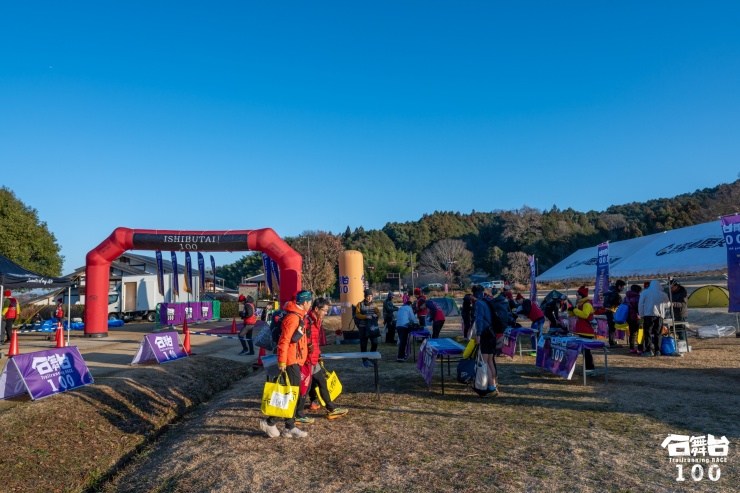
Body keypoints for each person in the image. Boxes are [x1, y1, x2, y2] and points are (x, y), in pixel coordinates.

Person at [259, 290, 313, 439]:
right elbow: (284, 340)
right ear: (304, 302)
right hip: (290, 360)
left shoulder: (298, 315)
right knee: (291, 394)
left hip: (295, 359)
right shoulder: (293, 318)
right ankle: (270, 422)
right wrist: (282, 361)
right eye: (309, 302)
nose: (310, 304)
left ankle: (289, 426)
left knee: (293, 394)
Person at [303, 298, 349, 420]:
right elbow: (305, 341)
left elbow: (315, 342)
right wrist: (310, 356)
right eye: (324, 310)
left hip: (313, 358)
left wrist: (318, 355)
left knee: (321, 382)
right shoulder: (307, 321)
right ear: (316, 309)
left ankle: (330, 408)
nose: (326, 313)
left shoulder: (317, 321)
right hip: (306, 360)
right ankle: (297, 414)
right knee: (305, 387)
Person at [471, 285, 500, 396]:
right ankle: (494, 385)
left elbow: (479, 319)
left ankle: (490, 387)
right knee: (490, 361)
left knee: (484, 362)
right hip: (492, 333)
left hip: (485, 334)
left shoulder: (479, 303)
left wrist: (478, 334)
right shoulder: (488, 301)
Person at [638, 280, 670, 357]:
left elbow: (641, 304)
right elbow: (668, 304)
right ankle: (657, 351)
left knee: (648, 333)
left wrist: (641, 314)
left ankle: (648, 350)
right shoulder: (663, 294)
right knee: (658, 333)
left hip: (648, 315)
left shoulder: (645, 292)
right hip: (659, 316)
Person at [570, 286, 596, 374]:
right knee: (584, 351)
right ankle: (587, 368)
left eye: (578, 295)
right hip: (581, 330)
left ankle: (590, 369)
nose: (576, 296)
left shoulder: (587, 304)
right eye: (576, 295)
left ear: (582, 295)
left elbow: (585, 315)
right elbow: (575, 314)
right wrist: (571, 310)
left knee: (587, 351)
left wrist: (575, 310)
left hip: (587, 332)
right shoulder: (580, 304)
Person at [355, 289, 381, 367]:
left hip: (372, 327)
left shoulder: (374, 305)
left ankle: (371, 358)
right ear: (365, 296)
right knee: (363, 344)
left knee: (375, 342)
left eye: (371, 296)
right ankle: (364, 361)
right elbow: (357, 314)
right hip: (363, 327)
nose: (369, 298)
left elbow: (379, 312)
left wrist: (377, 315)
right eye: (368, 296)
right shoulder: (360, 304)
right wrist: (365, 316)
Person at [603, 280, 626, 348]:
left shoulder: (611, 290)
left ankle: (612, 341)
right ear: (619, 286)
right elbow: (613, 301)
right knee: (612, 327)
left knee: (612, 327)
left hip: (608, 310)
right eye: (622, 287)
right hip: (611, 310)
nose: (623, 288)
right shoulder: (614, 292)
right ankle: (612, 343)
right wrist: (619, 301)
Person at [624, 284, 643, 353]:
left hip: (629, 317)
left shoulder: (626, 297)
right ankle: (640, 349)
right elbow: (640, 308)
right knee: (640, 333)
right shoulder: (638, 297)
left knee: (632, 333)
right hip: (637, 317)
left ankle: (632, 348)